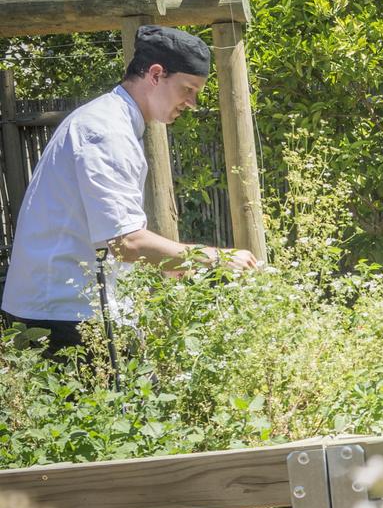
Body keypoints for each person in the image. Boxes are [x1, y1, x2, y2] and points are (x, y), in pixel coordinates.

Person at [2, 25, 258, 358]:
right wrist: (218, 258)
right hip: (64, 314)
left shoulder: (111, 121)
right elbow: (127, 243)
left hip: (63, 308)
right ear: (156, 74)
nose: (192, 103)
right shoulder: (106, 131)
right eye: (188, 89)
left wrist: (167, 263)